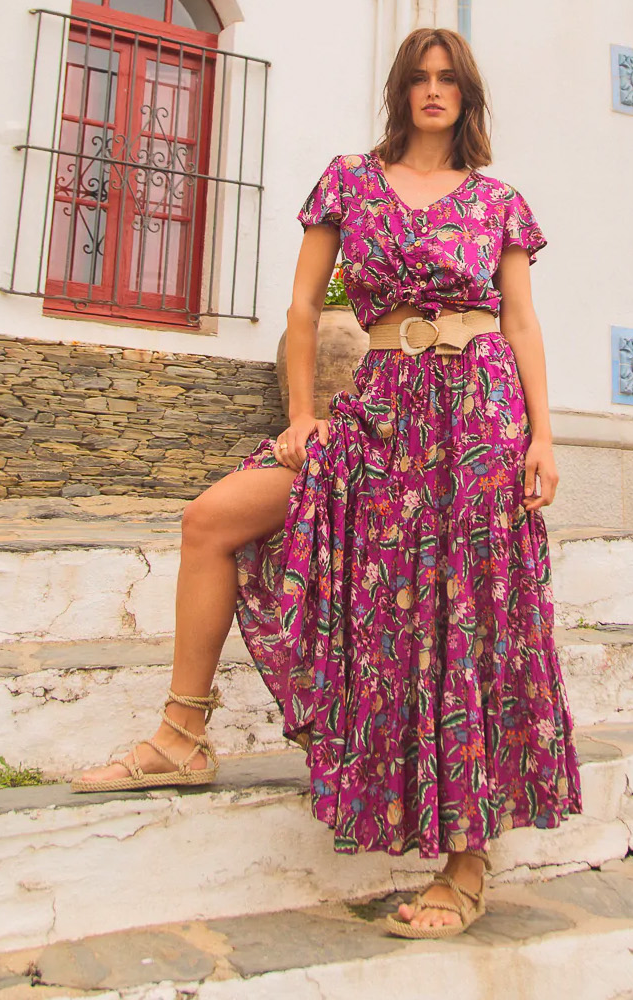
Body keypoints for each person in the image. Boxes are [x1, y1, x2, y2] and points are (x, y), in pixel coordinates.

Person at [70, 26, 576, 939]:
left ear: (466, 96)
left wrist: (544, 437)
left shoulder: (500, 200)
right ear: (400, 91)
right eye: (419, 79)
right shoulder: (349, 180)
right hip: (379, 409)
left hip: (481, 415)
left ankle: (465, 865)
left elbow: (523, 322)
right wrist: (303, 415)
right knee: (211, 520)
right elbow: (304, 306)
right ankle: (181, 738)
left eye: (448, 80)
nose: (433, 92)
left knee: (467, 618)